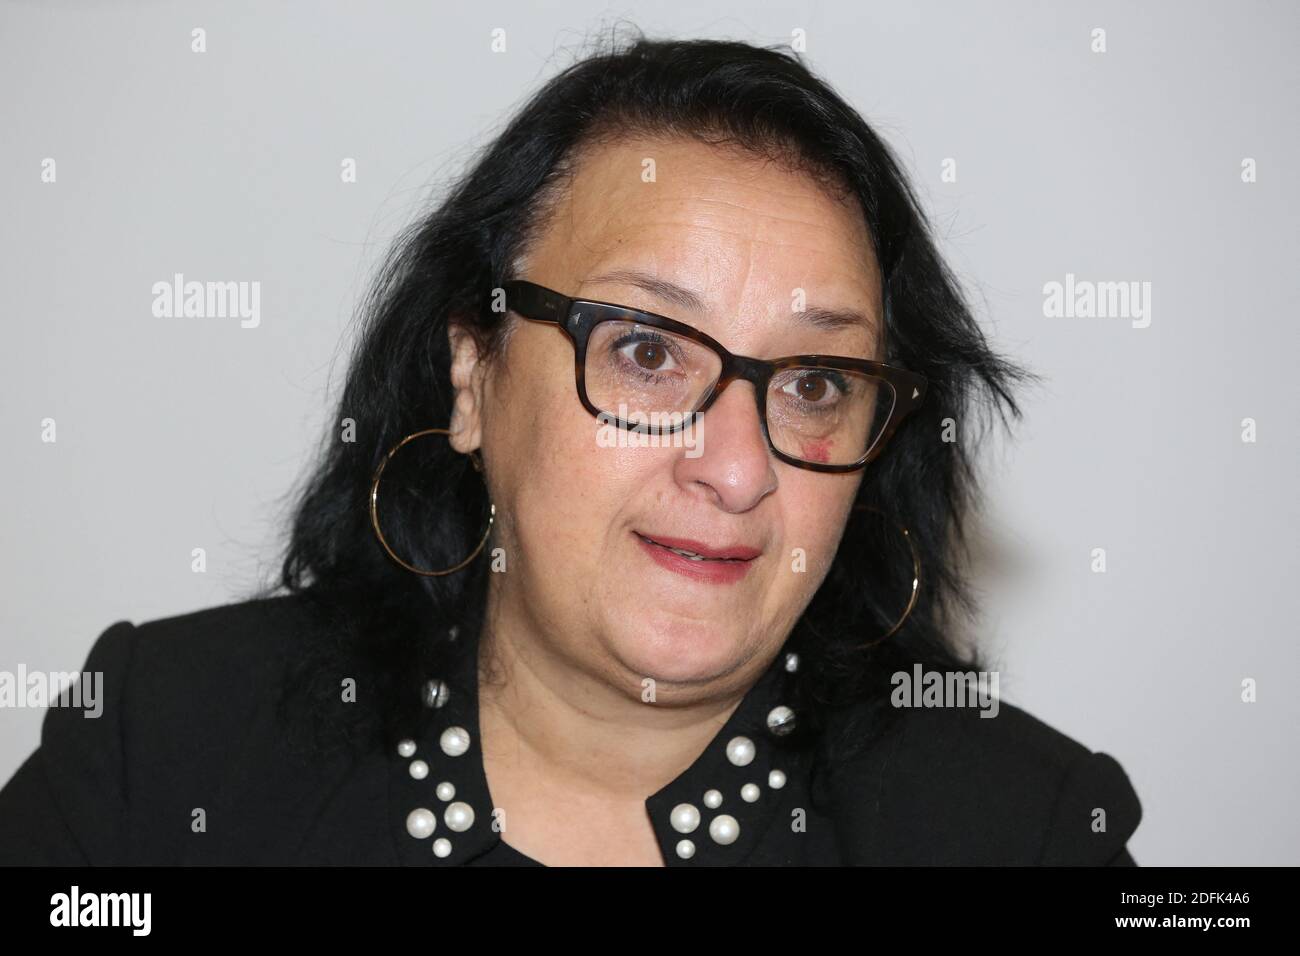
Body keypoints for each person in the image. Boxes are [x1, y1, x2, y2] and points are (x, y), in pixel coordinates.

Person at [0, 33, 1141, 866]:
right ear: (473, 376)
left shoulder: (1023, 829)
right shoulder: (161, 749)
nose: (737, 469)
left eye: (812, 383)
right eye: (646, 351)